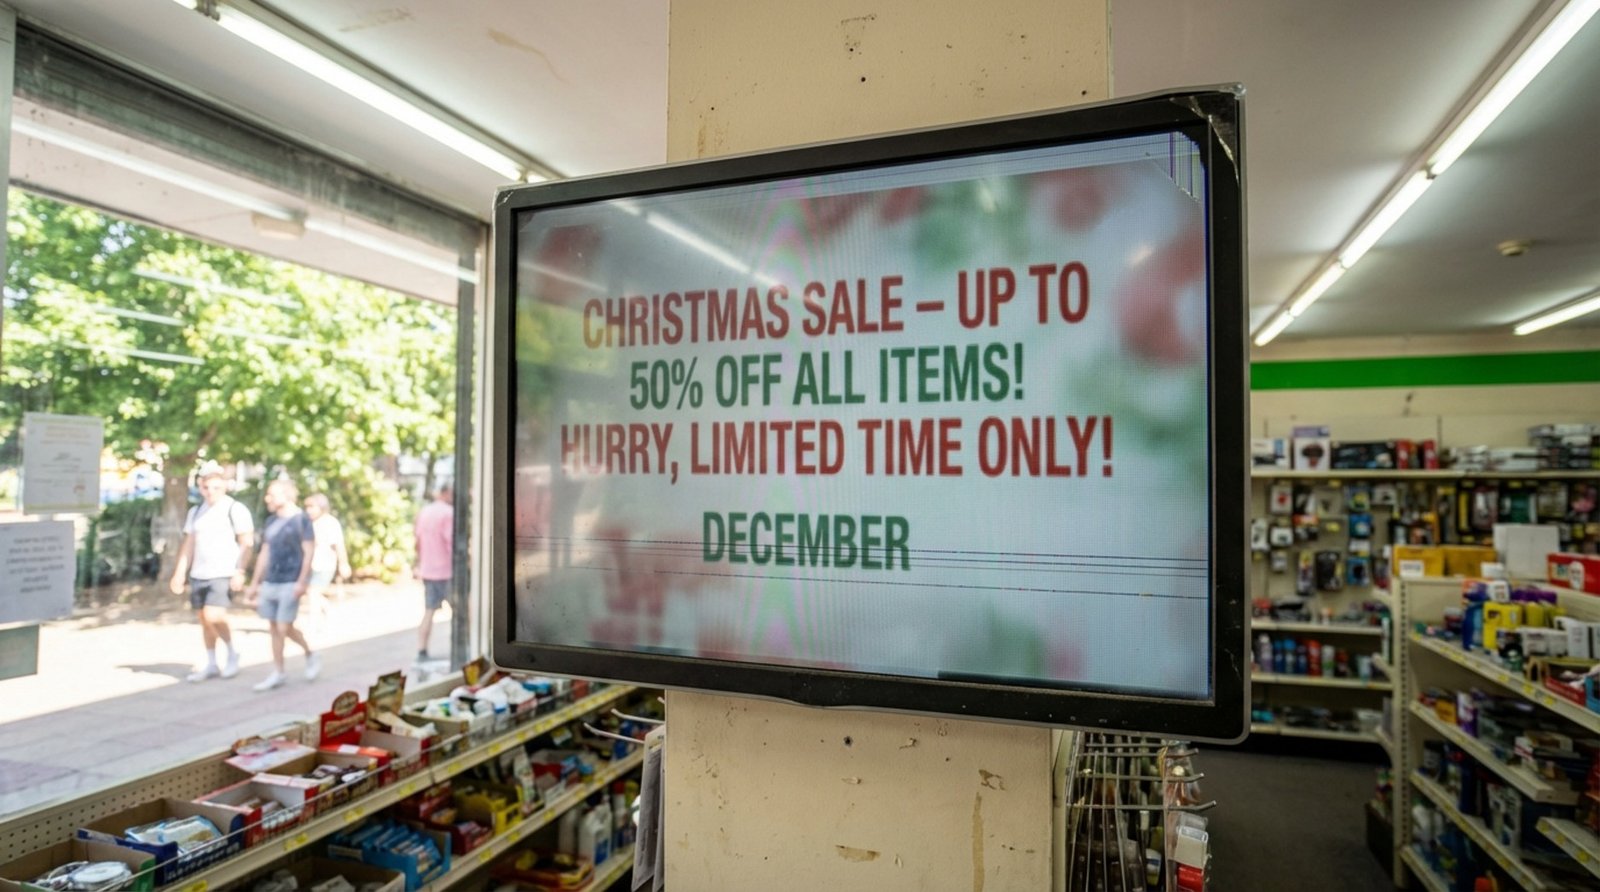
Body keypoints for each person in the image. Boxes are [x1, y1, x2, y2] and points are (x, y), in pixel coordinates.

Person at [168, 467, 254, 682]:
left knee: (213, 615)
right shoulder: (196, 511)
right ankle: (212, 662)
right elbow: (189, 543)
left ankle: (232, 652)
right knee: (204, 620)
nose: (210, 491)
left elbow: (246, 543)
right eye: (206, 487)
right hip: (200, 571)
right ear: (200, 487)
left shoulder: (235, 508)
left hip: (223, 570)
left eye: (216, 487)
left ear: (224, 486)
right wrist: (180, 572)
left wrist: (240, 570)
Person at [246, 478, 320, 690]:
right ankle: (279, 671)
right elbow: (265, 553)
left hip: (291, 580)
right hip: (271, 580)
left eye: (272, 494)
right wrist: (255, 583)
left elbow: (308, 552)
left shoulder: (301, 520)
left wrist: (302, 581)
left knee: (283, 625)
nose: (268, 498)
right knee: (273, 626)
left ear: (286, 495)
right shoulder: (270, 522)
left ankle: (310, 652)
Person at [414, 485, 454, 663]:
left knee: (429, 611)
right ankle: (461, 646)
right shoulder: (449, 513)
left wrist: (418, 563)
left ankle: (422, 650)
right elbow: (451, 542)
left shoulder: (425, 511)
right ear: (447, 493)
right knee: (461, 611)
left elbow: (418, 540)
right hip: (447, 570)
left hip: (429, 569)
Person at [303, 492, 352, 625]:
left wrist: (344, 564)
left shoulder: (330, 523)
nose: (309, 510)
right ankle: (329, 611)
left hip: (324, 564)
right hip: (310, 564)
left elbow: (338, 545)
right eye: (307, 507)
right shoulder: (309, 523)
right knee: (311, 592)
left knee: (314, 593)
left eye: (312, 507)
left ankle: (314, 623)